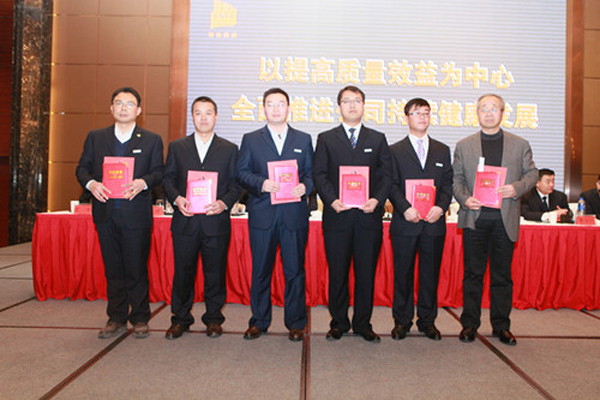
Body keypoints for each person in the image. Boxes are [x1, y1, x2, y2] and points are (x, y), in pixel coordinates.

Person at [76, 87, 165, 339]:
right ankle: (115, 317)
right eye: (119, 103)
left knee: (136, 267)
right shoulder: (96, 137)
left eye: (129, 104)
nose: (124, 108)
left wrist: (143, 182)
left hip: (136, 215)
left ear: (139, 110)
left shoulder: (151, 139)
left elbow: (159, 171)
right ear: (111, 108)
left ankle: (140, 317)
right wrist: (91, 184)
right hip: (106, 213)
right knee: (113, 268)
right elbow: (82, 168)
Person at [453, 93, 537, 346]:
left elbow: (532, 174)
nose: (488, 113)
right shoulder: (464, 145)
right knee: (472, 275)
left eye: (494, 108)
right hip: (475, 218)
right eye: (483, 108)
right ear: (477, 113)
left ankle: (502, 326)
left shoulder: (519, 144)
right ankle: (469, 325)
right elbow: (456, 179)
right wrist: (465, 198)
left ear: (502, 112)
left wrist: (516, 188)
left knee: (502, 277)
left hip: (504, 219)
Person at [313, 85, 392, 343]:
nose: (352, 105)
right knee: (338, 273)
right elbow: (319, 174)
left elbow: (386, 176)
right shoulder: (326, 138)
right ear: (339, 107)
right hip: (337, 217)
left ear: (364, 105)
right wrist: (332, 200)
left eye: (357, 100)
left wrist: (377, 200)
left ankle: (362, 323)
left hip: (368, 218)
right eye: (346, 101)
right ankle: (338, 323)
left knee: (365, 274)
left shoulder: (377, 139)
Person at [236, 88, 314, 342]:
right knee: (261, 270)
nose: (276, 109)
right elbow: (241, 172)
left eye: (281, 104)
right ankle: (259, 321)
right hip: (263, 214)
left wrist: (305, 187)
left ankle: (296, 322)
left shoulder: (303, 139)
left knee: (294, 271)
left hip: (293, 216)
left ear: (289, 108)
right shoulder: (251, 139)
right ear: (264, 109)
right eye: (271, 104)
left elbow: (311, 174)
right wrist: (261, 183)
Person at [162, 96, 241, 340]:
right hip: (185, 221)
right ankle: (180, 319)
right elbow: (168, 179)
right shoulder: (177, 147)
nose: (203, 117)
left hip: (215, 222)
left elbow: (237, 184)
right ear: (192, 117)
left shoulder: (229, 149)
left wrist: (224, 203)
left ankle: (214, 319)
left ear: (216, 117)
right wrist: (177, 199)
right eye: (198, 113)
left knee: (215, 273)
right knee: (183, 273)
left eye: (208, 113)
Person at [388, 98, 453, 341]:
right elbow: (390, 184)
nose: (422, 117)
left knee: (429, 275)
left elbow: (447, 185)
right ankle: (402, 321)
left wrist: (441, 207)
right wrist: (405, 208)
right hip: (405, 223)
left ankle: (427, 321)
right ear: (407, 117)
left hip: (433, 223)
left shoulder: (442, 150)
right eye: (417, 113)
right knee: (402, 275)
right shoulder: (394, 150)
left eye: (426, 113)